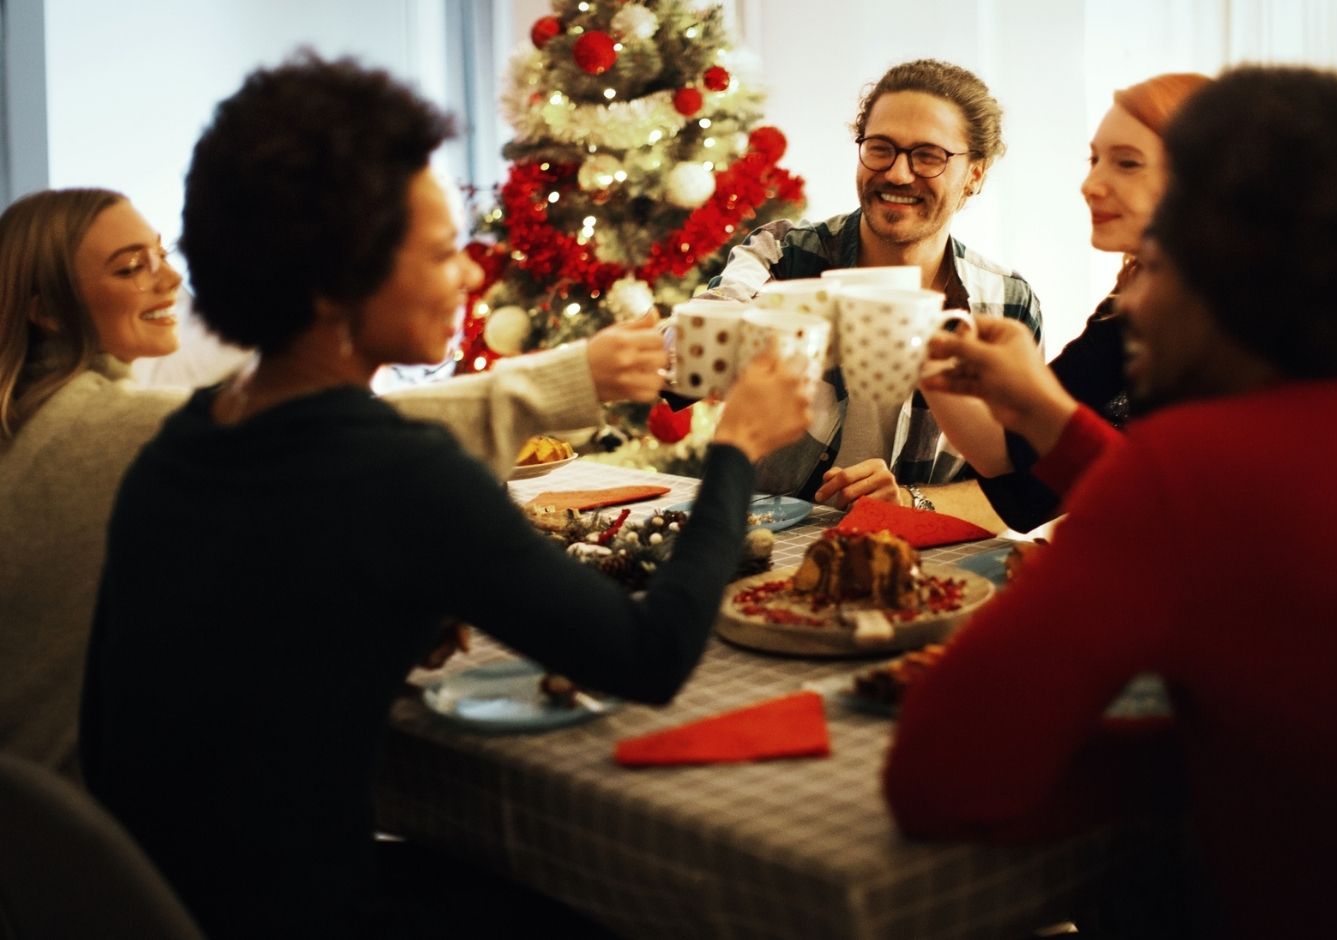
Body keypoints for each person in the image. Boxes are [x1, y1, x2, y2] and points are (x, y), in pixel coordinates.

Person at [79, 52, 811, 940]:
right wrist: (735, 449)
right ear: (332, 285)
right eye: (436, 252)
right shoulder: (396, 470)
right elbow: (647, 658)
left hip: (166, 899)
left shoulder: (186, 442)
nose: (468, 274)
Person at [883, 66, 1337, 939]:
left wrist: (1197, 762)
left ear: (1236, 271)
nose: (1132, 300)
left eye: (1161, 264)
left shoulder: (1195, 466)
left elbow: (941, 776)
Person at [0, 182, 670, 778]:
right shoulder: (96, 427)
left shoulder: (38, 419)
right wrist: (567, 379)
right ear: (48, 312)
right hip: (106, 851)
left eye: (159, 254)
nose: (169, 281)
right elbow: (345, 430)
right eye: (130, 268)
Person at [703, 59, 1042, 516]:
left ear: (974, 175)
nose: (899, 174)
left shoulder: (1008, 305)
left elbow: (1019, 490)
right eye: (881, 148)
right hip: (768, 541)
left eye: (929, 156)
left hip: (923, 560)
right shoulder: (786, 254)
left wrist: (908, 503)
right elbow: (715, 313)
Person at [923, 73, 1208, 533]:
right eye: (1094, 160)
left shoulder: (1249, 340)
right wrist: (924, 350)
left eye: (1128, 163)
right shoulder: (1127, 311)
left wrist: (1034, 399)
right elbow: (1019, 476)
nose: (1090, 184)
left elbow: (1184, 524)